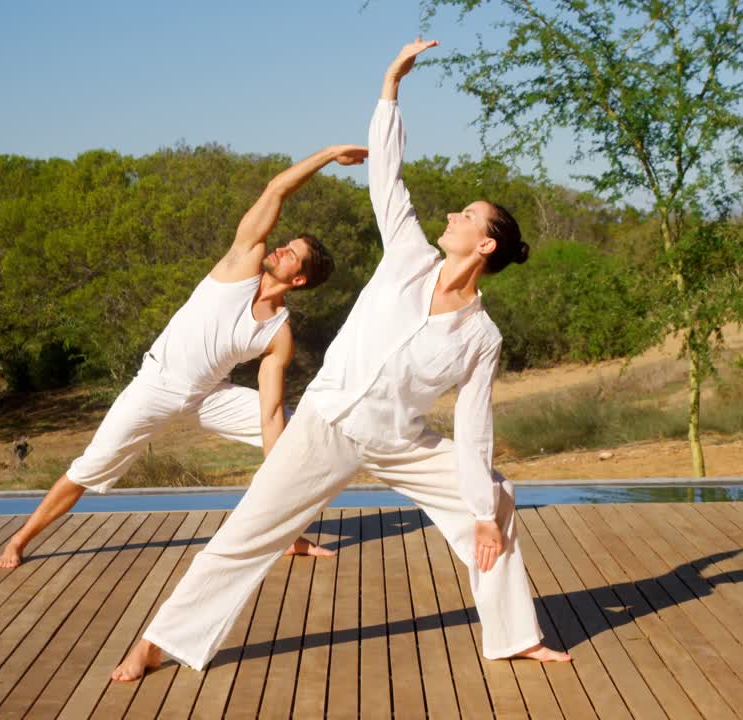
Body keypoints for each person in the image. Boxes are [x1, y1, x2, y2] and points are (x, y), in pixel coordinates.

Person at [112, 38, 571, 681]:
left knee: (493, 501)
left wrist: (482, 514)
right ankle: (159, 642)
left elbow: (473, 431)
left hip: (400, 441)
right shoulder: (410, 253)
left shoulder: (481, 336)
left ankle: (514, 634)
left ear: (485, 241)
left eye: (465, 215)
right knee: (247, 534)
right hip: (326, 423)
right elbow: (387, 175)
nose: (450, 214)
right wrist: (391, 88)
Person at [0, 143, 368, 570]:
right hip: (155, 385)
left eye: (290, 253)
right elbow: (275, 190)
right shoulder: (240, 263)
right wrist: (329, 155)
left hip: (207, 397)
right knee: (89, 467)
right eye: (285, 243)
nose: (280, 249)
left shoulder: (278, 334)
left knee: (296, 432)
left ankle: (286, 534)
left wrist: (277, 466)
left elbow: (267, 416)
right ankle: (20, 540)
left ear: (298, 278)